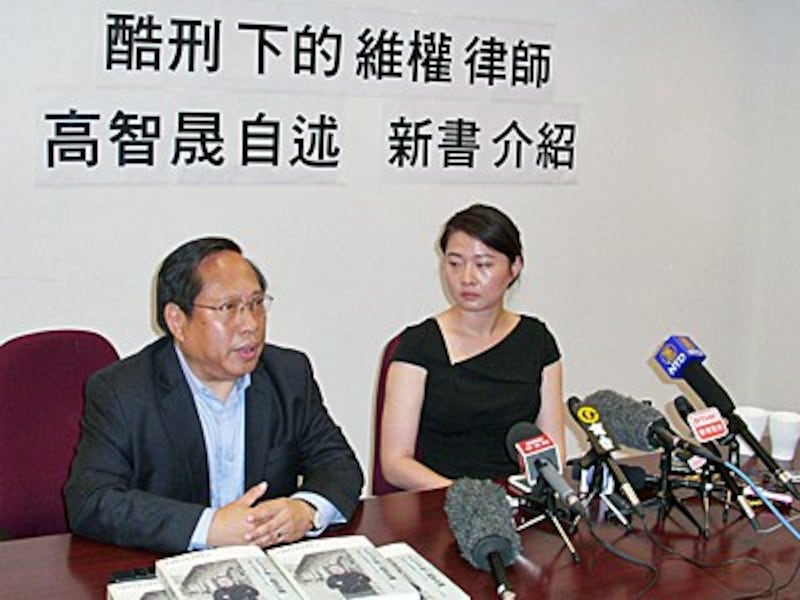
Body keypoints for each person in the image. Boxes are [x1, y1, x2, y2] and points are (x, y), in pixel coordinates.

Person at [65, 237, 363, 553]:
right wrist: (208, 527)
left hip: (269, 568)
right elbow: (91, 499)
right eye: (228, 308)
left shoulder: (288, 374)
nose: (250, 324)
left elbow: (339, 464)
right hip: (166, 566)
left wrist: (306, 510)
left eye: (256, 304)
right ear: (177, 321)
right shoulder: (123, 392)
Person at [380, 204, 565, 491]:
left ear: (514, 267)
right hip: (442, 502)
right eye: (454, 263)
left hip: (520, 500)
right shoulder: (418, 345)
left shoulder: (537, 340)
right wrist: (468, 499)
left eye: (484, 265)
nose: (467, 278)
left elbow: (551, 448)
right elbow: (395, 464)